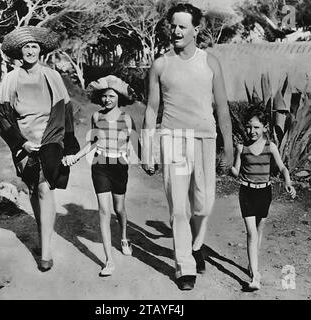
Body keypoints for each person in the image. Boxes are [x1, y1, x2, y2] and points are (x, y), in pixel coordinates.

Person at [142, 3, 233, 290]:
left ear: (197, 29)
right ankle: (184, 265)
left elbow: (222, 107)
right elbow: (150, 109)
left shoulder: (210, 62)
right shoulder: (161, 64)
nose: (177, 30)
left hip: (205, 138)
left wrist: (228, 148)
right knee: (179, 207)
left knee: (204, 205)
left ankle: (196, 245)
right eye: (174, 25)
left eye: (183, 26)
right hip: (174, 139)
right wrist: (148, 149)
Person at [0, 26, 80, 272]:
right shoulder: (11, 78)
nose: (30, 51)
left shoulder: (51, 75)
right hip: (24, 143)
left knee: (45, 188)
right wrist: (21, 143)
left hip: (50, 140)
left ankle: (46, 252)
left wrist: (70, 145)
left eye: (34, 46)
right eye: (26, 47)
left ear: (41, 50)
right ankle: (43, 233)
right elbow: (2, 117)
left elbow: (66, 111)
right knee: (33, 188)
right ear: (19, 51)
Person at [64, 75, 137, 276]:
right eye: (104, 96)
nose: (107, 99)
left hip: (119, 165)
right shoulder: (96, 117)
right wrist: (77, 156)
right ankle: (109, 261)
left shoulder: (127, 119)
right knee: (104, 212)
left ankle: (123, 237)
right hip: (100, 164)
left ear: (119, 98)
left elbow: (132, 142)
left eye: (111, 96)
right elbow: (93, 141)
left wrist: (137, 157)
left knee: (119, 208)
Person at [231, 105, 296, 290]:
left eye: (257, 127)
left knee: (259, 231)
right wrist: (232, 169)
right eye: (249, 127)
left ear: (265, 127)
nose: (252, 131)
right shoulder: (241, 147)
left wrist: (288, 182)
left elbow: (282, 168)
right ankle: (255, 276)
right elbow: (236, 171)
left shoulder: (271, 146)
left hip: (264, 193)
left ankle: (253, 264)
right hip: (246, 193)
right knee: (251, 233)